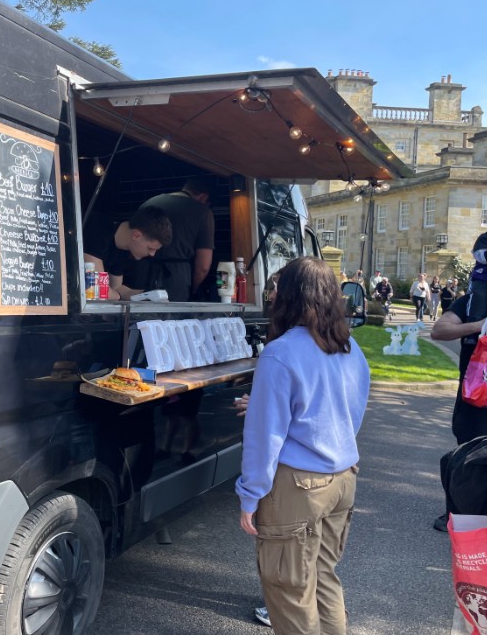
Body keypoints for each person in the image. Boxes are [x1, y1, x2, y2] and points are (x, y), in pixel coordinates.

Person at [236, 256, 371, 635]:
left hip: (299, 487)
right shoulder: (349, 349)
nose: (273, 292)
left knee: (289, 590)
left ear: (291, 296)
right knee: (323, 576)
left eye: (279, 285)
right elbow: (347, 415)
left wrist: (251, 495)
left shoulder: (281, 353)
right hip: (343, 478)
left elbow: (265, 437)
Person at [431, 253, 487, 531]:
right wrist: (479, 325)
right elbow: (439, 330)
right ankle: (455, 515)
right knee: (468, 454)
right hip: (479, 396)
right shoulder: (473, 301)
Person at [139, 177, 215, 302]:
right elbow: (203, 266)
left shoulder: (149, 203)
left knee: (140, 319)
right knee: (173, 320)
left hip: (142, 272)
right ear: (203, 197)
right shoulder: (202, 212)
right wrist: (193, 289)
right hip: (176, 278)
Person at [83, 206, 172, 300]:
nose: (152, 254)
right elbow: (96, 290)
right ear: (136, 235)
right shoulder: (98, 231)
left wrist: (144, 295)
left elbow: (116, 287)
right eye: (150, 248)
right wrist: (118, 296)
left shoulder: (123, 250)